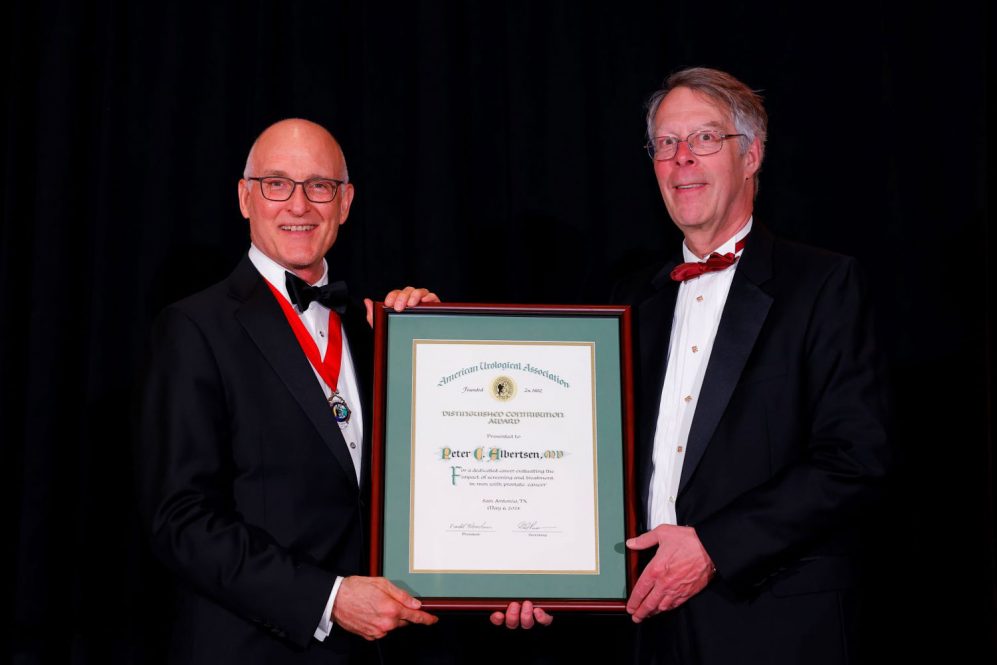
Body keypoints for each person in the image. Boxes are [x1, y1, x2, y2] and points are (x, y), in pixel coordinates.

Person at [139, 118, 479, 664]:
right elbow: (181, 520)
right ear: (245, 197)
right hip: (255, 647)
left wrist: (432, 355)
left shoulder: (379, 329)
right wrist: (329, 598)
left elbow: (444, 473)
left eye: (320, 186)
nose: (299, 205)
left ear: (345, 202)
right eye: (277, 183)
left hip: (383, 648)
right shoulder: (195, 328)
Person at [614, 68, 890, 664]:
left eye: (705, 139)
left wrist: (714, 546)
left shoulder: (823, 285)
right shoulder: (628, 305)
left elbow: (856, 459)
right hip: (644, 627)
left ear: (752, 155)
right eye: (665, 143)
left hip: (776, 625)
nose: (681, 158)